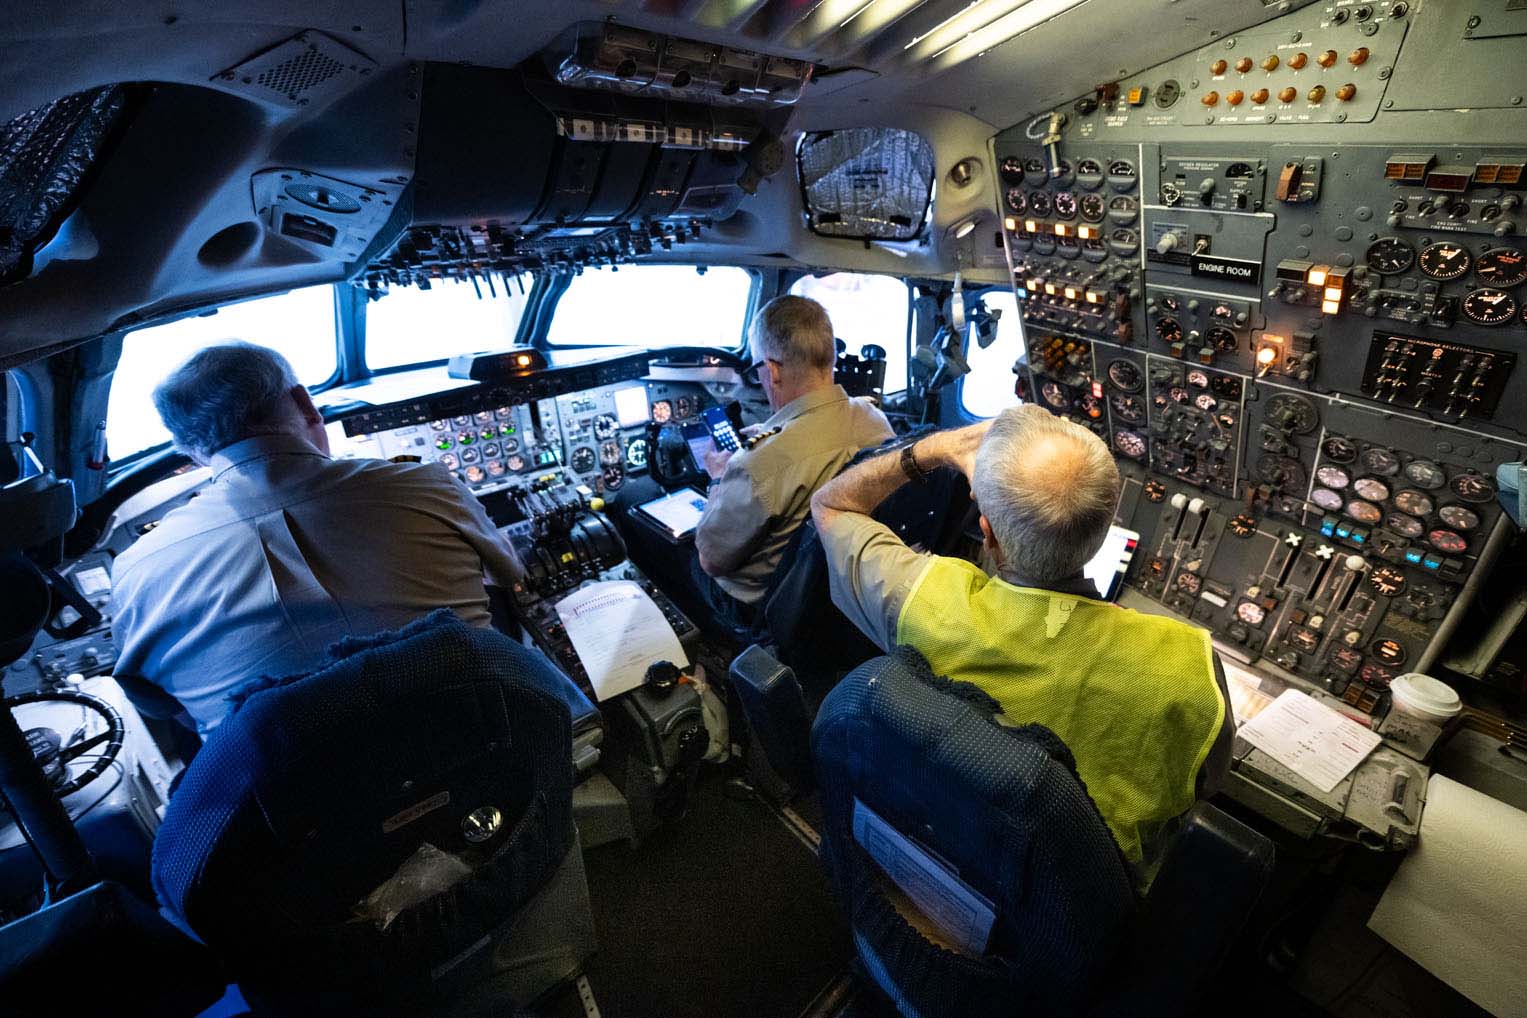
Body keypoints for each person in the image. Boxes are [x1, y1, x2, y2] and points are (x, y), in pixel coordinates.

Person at [810, 405, 1234, 868]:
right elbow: (1205, 786)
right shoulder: (1186, 666)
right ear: (1105, 527)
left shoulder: (918, 600)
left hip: (938, 855)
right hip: (1069, 917)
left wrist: (934, 449)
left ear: (987, 533)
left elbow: (830, 505)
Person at [111, 342, 524, 737]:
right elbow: (508, 576)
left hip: (299, 803)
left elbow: (161, 705)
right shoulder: (423, 483)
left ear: (190, 450)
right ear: (306, 404)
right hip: (494, 747)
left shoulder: (135, 569)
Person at [689, 295, 893, 630]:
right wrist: (775, 434)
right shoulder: (874, 419)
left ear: (771, 370)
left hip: (764, 607)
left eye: (759, 370)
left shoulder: (760, 464)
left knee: (680, 552)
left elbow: (712, 561)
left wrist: (717, 478)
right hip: (842, 589)